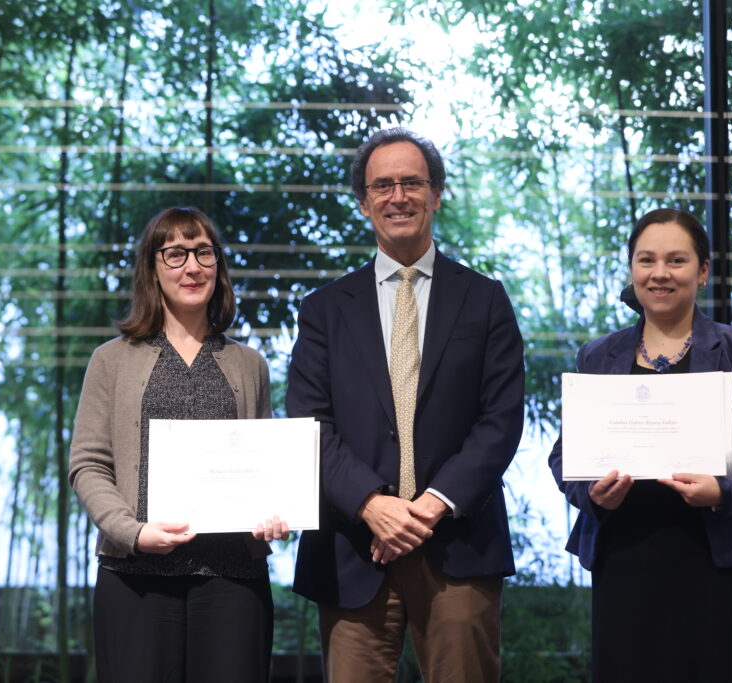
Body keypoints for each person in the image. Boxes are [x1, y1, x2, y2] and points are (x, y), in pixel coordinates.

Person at [286, 127, 525, 682]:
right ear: (363, 202)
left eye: (412, 183)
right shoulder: (324, 310)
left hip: (458, 544)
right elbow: (310, 424)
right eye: (383, 185)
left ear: (436, 194)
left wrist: (432, 505)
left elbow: (500, 418)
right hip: (353, 546)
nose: (398, 197)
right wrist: (371, 504)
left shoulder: (484, 299)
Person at [548, 208, 732, 682]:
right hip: (624, 554)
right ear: (632, 269)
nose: (660, 273)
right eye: (647, 260)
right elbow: (565, 455)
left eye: (676, 260)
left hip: (715, 555)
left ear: (702, 271)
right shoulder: (598, 355)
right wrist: (592, 494)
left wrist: (723, 491)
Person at [69, 206, 289, 682]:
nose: (192, 267)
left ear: (218, 266)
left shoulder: (249, 364)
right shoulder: (111, 361)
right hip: (135, 575)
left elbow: (263, 464)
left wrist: (273, 511)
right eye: (175, 254)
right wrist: (131, 532)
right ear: (152, 267)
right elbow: (88, 464)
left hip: (233, 577)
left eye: (203, 253)